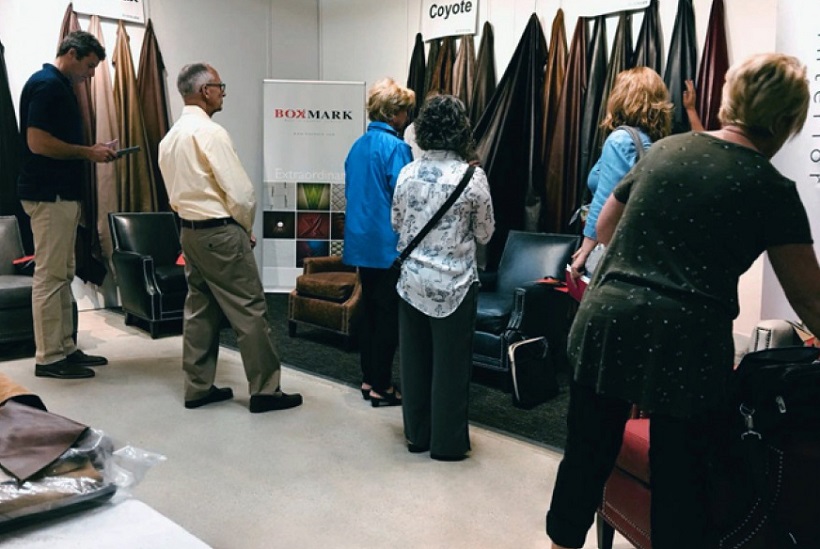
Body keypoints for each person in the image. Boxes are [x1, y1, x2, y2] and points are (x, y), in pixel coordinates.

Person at [547, 53, 820, 549]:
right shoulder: (772, 188)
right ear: (787, 120)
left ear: (731, 99)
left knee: (586, 456)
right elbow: (809, 297)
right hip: (687, 341)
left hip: (607, 321)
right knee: (682, 481)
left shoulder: (667, 150)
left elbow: (605, 227)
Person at [158, 63, 301, 413]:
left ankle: (197, 387)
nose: (223, 93)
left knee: (199, 310)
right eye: (220, 86)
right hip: (220, 231)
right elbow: (240, 193)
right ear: (205, 91)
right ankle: (265, 391)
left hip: (189, 231)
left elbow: (174, 194)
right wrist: (244, 227)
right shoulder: (211, 133)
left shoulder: (170, 138)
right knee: (249, 310)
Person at [392, 95, 494, 461]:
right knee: (451, 367)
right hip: (454, 285)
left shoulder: (407, 172)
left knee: (414, 363)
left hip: (411, 282)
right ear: (461, 130)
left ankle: (417, 435)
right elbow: (485, 233)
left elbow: (396, 223)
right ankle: (447, 444)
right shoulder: (472, 177)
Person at [17, 30, 117, 380]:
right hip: (50, 195)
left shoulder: (57, 86)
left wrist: (91, 151)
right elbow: (37, 142)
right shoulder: (47, 85)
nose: (90, 75)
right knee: (50, 276)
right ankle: (48, 357)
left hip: (59, 195)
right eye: (89, 66)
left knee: (61, 274)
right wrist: (88, 152)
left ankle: (65, 348)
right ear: (71, 53)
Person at [343, 77, 415, 407]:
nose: (408, 117)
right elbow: (406, 197)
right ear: (393, 114)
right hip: (388, 245)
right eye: (405, 111)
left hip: (360, 242)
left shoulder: (357, 145)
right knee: (388, 318)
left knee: (369, 313)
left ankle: (368, 377)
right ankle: (381, 386)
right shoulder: (397, 148)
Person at [569, 67, 673, 279]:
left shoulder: (621, 140)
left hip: (615, 247)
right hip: (643, 249)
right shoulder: (657, 142)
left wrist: (585, 251)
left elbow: (606, 198)